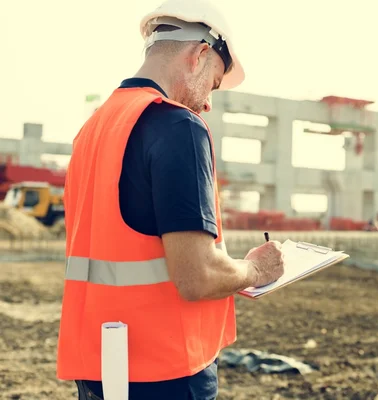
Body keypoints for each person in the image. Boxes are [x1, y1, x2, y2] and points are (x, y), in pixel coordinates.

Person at [55, 1, 285, 399]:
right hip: (164, 372)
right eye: (213, 84)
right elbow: (197, 277)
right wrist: (256, 270)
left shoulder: (94, 128)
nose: (208, 104)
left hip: (99, 366)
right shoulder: (178, 126)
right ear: (198, 56)